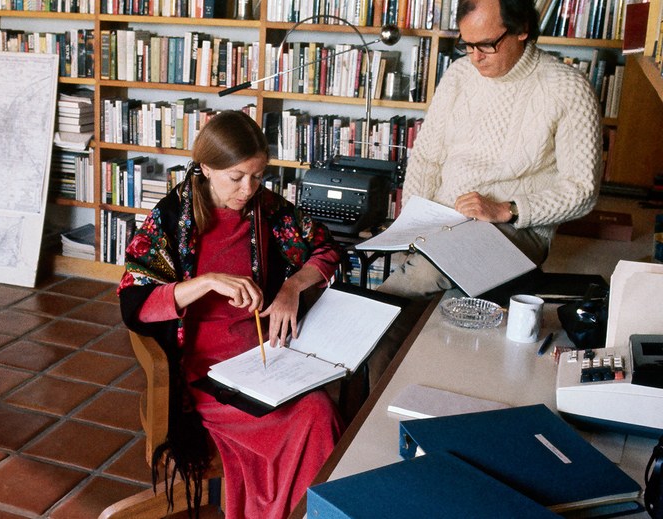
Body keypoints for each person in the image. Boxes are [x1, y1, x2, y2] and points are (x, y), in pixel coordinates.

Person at [117, 110, 344, 519]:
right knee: (306, 418)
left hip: (265, 357)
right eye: (236, 177)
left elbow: (326, 249)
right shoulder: (171, 217)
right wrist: (205, 282)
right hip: (205, 374)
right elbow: (136, 303)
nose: (248, 189)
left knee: (318, 410)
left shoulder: (268, 210)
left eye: (258, 176)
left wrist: (292, 287)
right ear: (205, 167)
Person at [378, 0, 602, 299]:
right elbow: (427, 158)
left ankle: (371, 316)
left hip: (517, 228)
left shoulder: (568, 87)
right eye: (467, 45)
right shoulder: (458, 74)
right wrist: (413, 220)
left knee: (419, 278)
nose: (475, 58)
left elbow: (582, 191)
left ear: (521, 29)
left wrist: (508, 209)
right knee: (395, 262)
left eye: (486, 44)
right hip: (444, 219)